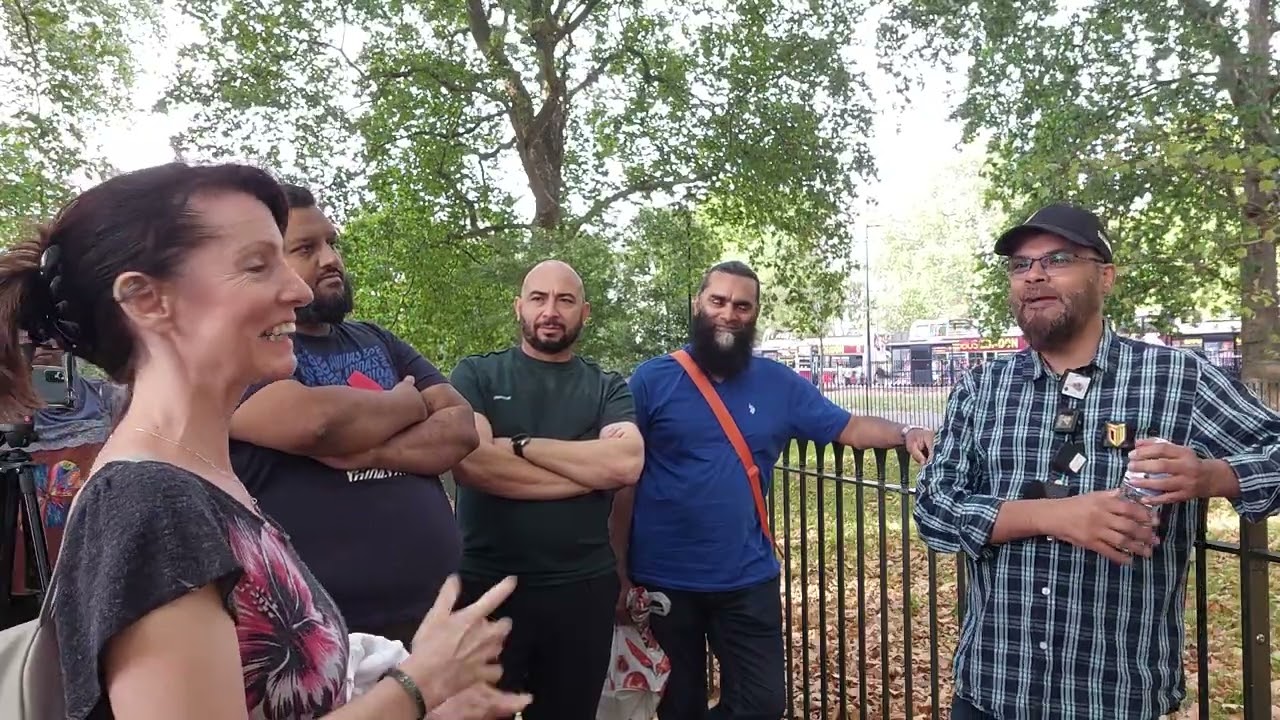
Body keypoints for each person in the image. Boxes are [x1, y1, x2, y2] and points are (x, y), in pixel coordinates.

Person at [0, 161, 528, 719]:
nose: (298, 289)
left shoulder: (205, 479)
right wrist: (417, 685)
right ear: (146, 300)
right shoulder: (149, 504)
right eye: (257, 265)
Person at [913, 202, 1280, 720]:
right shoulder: (983, 387)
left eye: (1058, 259)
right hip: (992, 688)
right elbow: (933, 509)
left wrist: (1213, 476)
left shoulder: (1178, 378)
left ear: (1105, 276)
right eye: (1020, 264)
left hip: (1113, 694)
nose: (1034, 275)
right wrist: (1054, 516)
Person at [613, 260, 936, 720]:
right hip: (666, 579)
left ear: (755, 314)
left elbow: (848, 425)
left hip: (746, 577)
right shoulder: (651, 380)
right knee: (676, 705)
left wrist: (905, 429)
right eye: (718, 301)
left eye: (742, 306)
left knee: (762, 703)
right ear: (697, 304)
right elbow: (622, 479)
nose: (729, 314)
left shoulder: (778, 383)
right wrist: (619, 572)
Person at [229, 184, 477, 646]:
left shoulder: (377, 339)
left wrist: (359, 449)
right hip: (324, 638)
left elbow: (461, 429)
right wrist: (408, 403)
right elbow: (315, 423)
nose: (329, 259)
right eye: (306, 248)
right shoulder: (251, 351)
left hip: (438, 620)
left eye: (331, 243)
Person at [448, 259, 644, 720]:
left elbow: (625, 463)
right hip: (488, 589)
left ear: (585, 312)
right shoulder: (476, 375)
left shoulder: (606, 387)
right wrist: (585, 470)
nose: (550, 310)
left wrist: (517, 445)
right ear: (519, 306)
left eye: (565, 300)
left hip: (583, 592)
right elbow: (474, 465)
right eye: (538, 298)